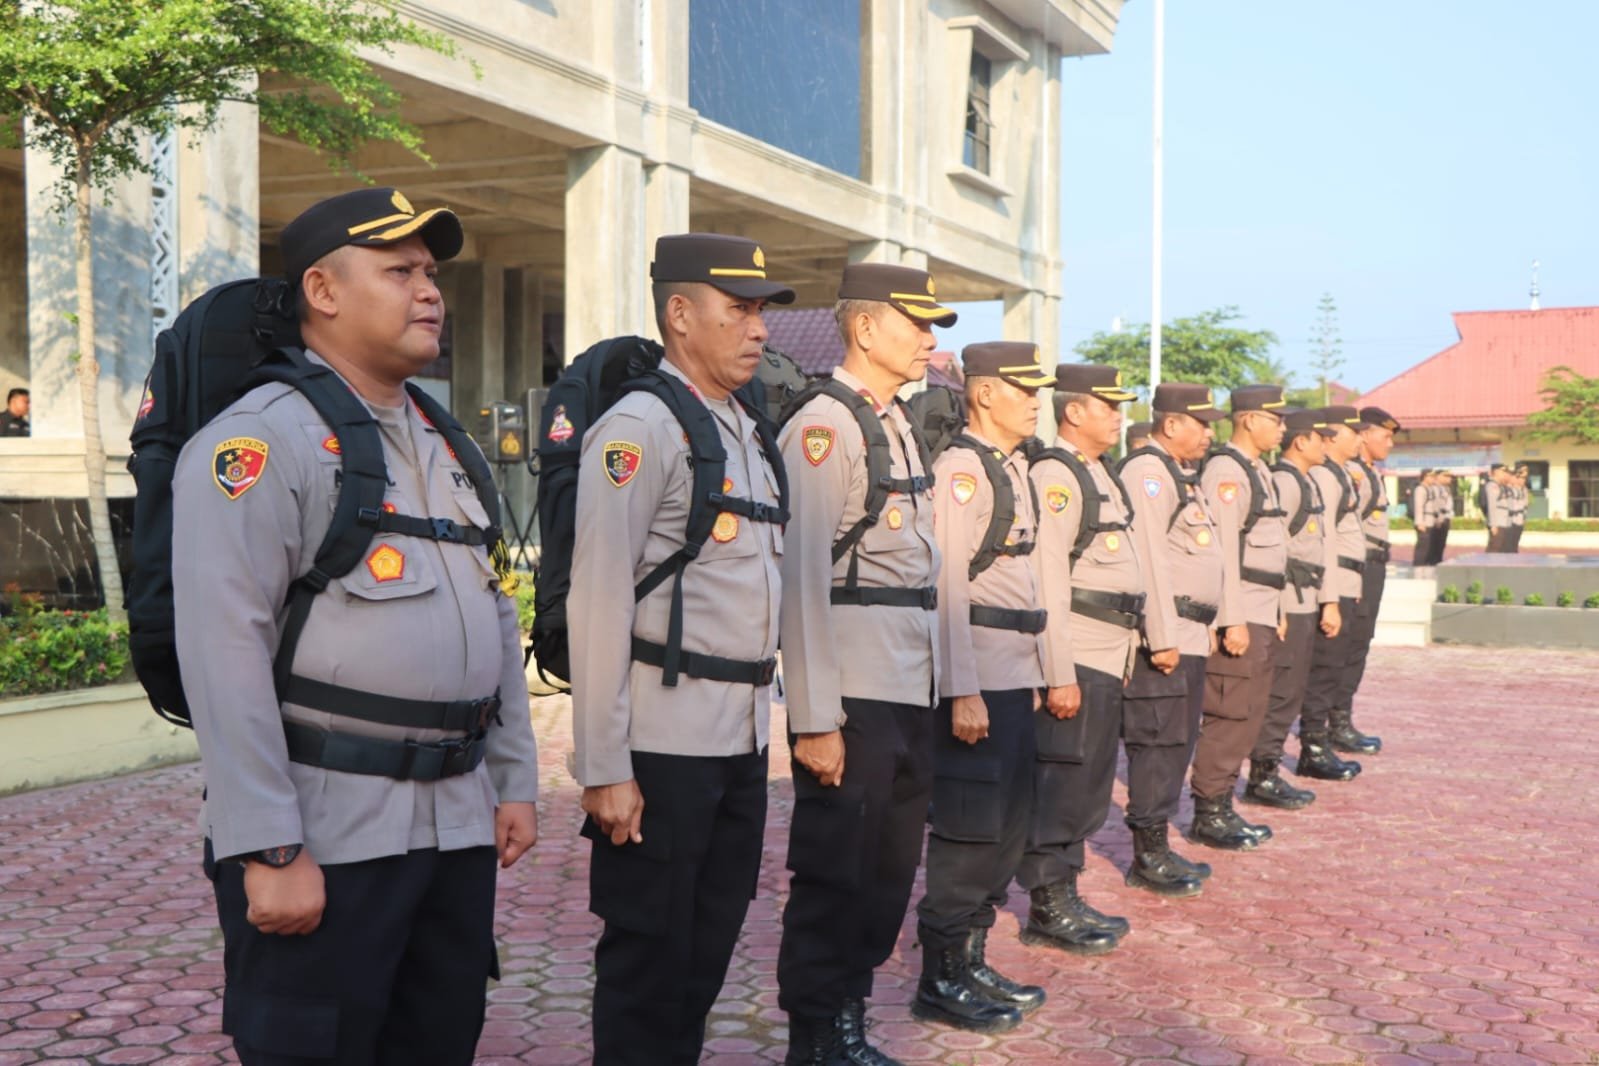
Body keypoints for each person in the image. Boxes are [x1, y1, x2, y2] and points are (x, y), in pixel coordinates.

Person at [171, 187, 541, 1066]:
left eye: (432, 273)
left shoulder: (446, 443)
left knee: (438, 1040)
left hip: (452, 826)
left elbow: (492, 607)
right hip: (329, 833)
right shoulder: (263, 441)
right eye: (400, 270)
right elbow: (224, 650)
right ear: (324, 293)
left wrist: (513, 776)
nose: (429, 292)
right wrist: (268, 845)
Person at [569, 233, 794, 1065]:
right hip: (660, 749)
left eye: (762, 312)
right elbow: (597, 600)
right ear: (679, 314)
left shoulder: (744, 428)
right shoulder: (640, 428)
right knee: (648, 959)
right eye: (738, 310)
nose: (758, 329)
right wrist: (603, 766)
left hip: (738, 741)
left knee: (704, 952)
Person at [775, 263, 954, 1064]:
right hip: (853, 693)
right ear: (866, 328)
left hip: (906, 684)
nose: (928, 339)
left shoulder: (898, 424)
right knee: (836, 872)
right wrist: (815, 718)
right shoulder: (824, 425)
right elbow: (800, 578)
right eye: (915, 323)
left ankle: (848, 1016)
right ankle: (816, 1037)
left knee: (885, 871)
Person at [913, 342, 1054, 1035]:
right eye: (1023, 389)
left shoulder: (1010, 468)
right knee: (969, 830)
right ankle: (939, 977)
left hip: (1010, 673)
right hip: (976, 681)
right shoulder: (961, 471)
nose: (1035, 400)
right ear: (985, 394)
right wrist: (961, 688)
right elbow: (945, 587)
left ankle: (969, 960)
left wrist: (1028, 673)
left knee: (1004, 828)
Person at [1020, 363, 1149, 938]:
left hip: (1109, 649)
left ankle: (1065, 889)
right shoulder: (1058, 473)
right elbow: (1048, 574)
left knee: (1091, 781)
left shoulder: (1098, 471)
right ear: (1074, 411)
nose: (1119, 415)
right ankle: (1048, 904)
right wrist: (1057, 669)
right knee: (1065, 781)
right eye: (1108, 405)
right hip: (1079, 649)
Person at [1116, 383, 1227, 895]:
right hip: (1168, 635)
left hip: (1190, 631)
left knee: (1176, 741)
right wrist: (1160, 636)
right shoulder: (1148, 474)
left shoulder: (1178, 475)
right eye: (1201, 422)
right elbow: (1150, 561)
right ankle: (1148, 854)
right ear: (1171, 422)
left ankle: (1159, 845)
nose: (1209, 432)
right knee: (1158, 743)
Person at [1189, 384, 1288, 850]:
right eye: (1276, 418)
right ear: (1249, 419)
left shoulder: (1257, 470)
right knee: (1229, 713)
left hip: (1261, 608)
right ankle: (1209, 810)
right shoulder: (1228, 471)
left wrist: (1278, 608)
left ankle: (1223, 801)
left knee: (1248, 712)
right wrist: (1230, 618)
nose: (1282, 427)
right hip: (1242, 610)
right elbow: (1223, 551)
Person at [1245, 408, 1339, 810]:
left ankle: (1268, 768)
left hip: (1304, 597)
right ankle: (1262, 774)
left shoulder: (1303, 480)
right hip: (1289, 600)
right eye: (1321, 438)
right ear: (1302, 442)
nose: (1327, 445)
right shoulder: (1286, 482)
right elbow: (1273, 548)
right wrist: (1280, 608)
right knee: (1281, 690)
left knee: (1292, 689)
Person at [1296, 405, 1365, 782]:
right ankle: (1314, 747)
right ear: (1335, 436)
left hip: (1347, 580)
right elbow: (1322, 539)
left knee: (1335, 665)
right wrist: (1330, 597)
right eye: (1354, 432)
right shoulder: (1324, 476)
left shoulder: (1339, 472)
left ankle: (1322, 739)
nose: (1360, 439)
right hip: (1332, 581)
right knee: (1323, 671)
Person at [1329, 406, 1398, 756]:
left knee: (1359, 644)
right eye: (1384, 436)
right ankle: (1335, 721)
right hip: (1359, 567)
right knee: (1349, 645)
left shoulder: (1370, 472)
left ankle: (1341, 715)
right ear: (1365, 435)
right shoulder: (1354, 474)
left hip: (1374, 565)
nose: (1389, 443)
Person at [1484, 464, 1513, 551]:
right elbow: (1492, 506)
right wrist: (1493, 525)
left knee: (1501, 550)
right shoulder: (1492, 485)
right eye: (1503, 471)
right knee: (1494, 549)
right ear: (1496, 472)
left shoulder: (1501, 486)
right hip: (1497, 523)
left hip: (1503, 523)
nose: (1505, 474)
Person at [1411, 469, 1435, 567]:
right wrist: (1419, 523)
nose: (1433, 479)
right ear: (1424, 477)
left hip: (1429, 522)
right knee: (1422, 549)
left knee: (1428, 548)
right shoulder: (1420, 489)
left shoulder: (1429, 488)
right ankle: (1418, 566)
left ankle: (1424, 566)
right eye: (1430, 476)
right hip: (1423, 523)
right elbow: (1418, 507)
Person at [1430, 471, 1455, 564]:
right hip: (1439, 519)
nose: (1449, 479)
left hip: (1446, 518)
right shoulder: (1434, 488)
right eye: (1445, 476)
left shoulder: (1446, 489)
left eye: (1449, 476)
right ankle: (1432, 564)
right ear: (1437, 477)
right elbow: (1436, 505)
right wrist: (1439, 519)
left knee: (1441, 545)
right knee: (1435, 545)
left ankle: (1437, 562)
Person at [1507, 465, 1529, 552]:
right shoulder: (1509, 488)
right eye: (1522, 478)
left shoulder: (1525, 490)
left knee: (1515, 544)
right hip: (1511, 521)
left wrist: (1524, 518)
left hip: (1520, 520)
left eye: (1525, 478)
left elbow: (1525, 505)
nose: (1523, 480)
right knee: (1509, 545)